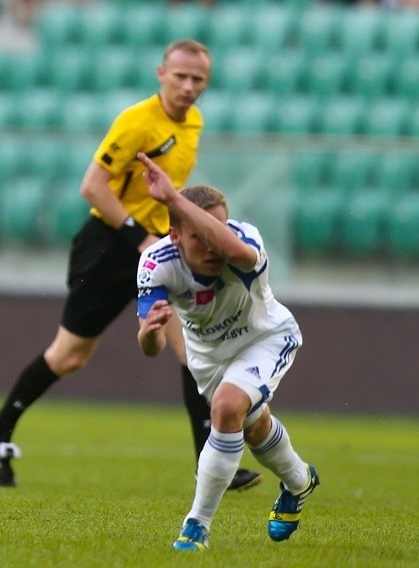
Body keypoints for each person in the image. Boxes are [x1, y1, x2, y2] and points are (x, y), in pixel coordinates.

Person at [0, 39, 262, 491]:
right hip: (107, 247)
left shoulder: (194, 122)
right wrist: (140, 238)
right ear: (161, 73)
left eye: (198, 80)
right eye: (180, 76)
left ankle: (212, 462)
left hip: (156, 249)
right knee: (70, 356)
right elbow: (93, 186)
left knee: (193, 353)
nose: (188, 87)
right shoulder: (138, 122)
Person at [135, 152, 319, 551]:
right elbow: (150, 347)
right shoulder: (155, 262)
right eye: (199, 233)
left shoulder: (244, 241)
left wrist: (174, 199)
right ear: (175, 234)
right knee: (252, 427)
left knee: (226, 407)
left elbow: (235, 253)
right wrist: (151, 332)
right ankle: (300, 481)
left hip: (264, 338)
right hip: (208, 358)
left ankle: (196, 526)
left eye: (219, 228)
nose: (213, 242)